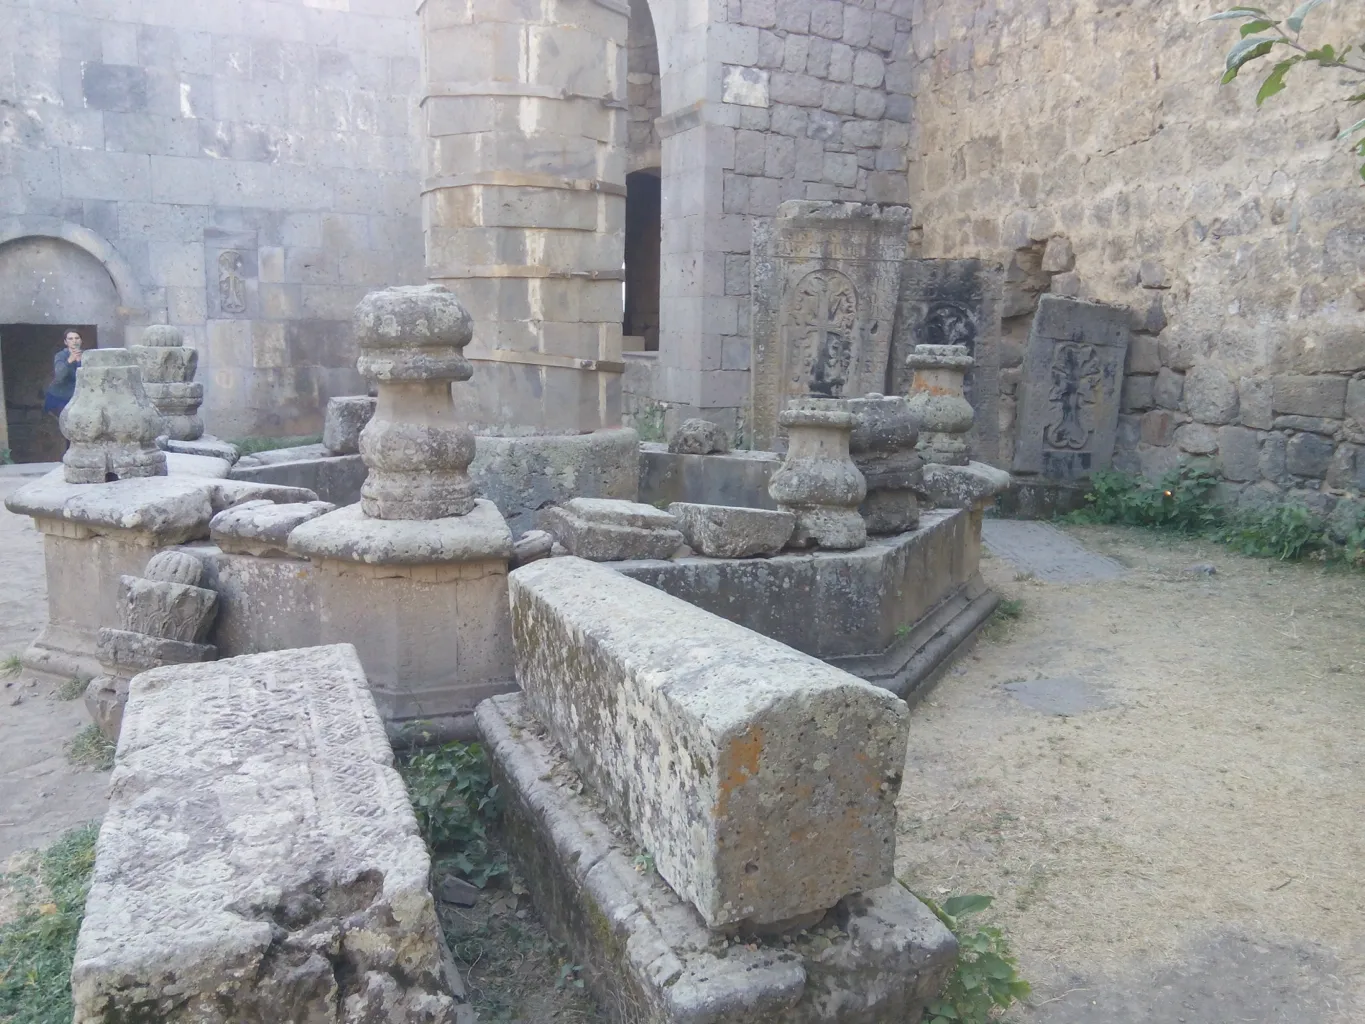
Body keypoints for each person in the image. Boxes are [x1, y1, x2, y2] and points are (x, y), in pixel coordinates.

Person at [43, 330, 83, 417]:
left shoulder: (87, 355)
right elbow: (59, 376)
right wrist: (69, 361)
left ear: (81, 340)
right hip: (58, 397)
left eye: (77, 338)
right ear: (65, 342)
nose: (74, 341)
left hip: (77, 397)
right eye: (70, 339)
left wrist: (80, 362)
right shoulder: (61, 356)